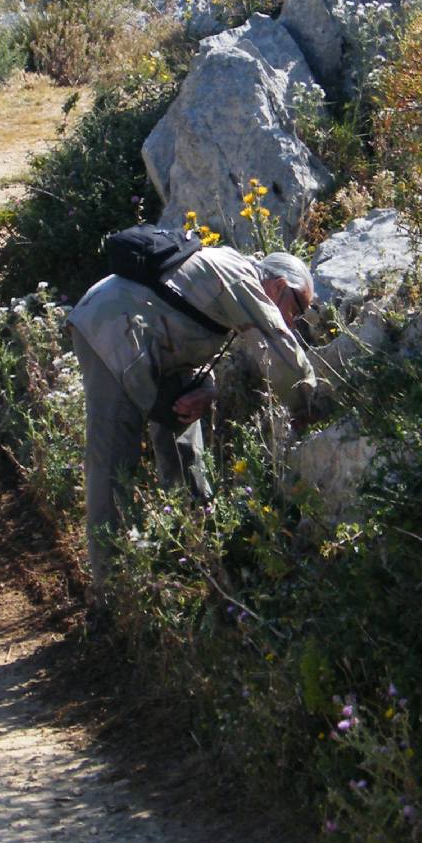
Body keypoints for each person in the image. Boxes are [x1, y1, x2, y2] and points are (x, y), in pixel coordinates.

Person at [68, 245, 316, 600]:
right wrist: (310, 404)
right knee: (112, 459)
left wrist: (207, 391)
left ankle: (195, 542)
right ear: (278, 286)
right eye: (297, 309)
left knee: (185, 439)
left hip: (143, 331)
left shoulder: (233, 279)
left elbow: (191, 328)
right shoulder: (243, 279)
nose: (294, 321)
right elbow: (280, 351)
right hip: (109, 330)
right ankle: (111, 592)